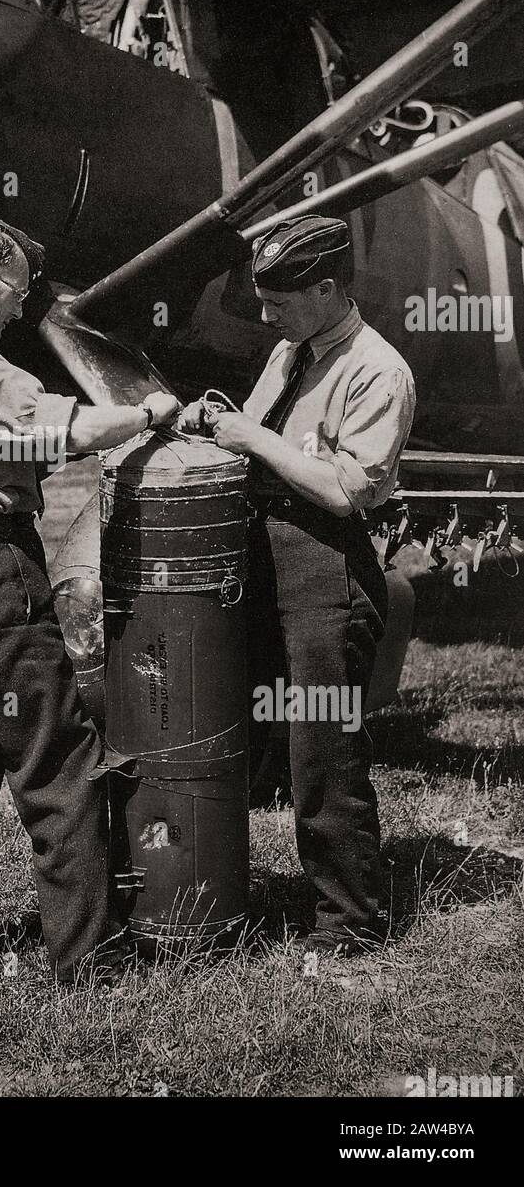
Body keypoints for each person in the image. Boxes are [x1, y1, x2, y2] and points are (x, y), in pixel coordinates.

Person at [0, 211, 180, 987]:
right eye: (15, 292)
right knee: (61, 760)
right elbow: (75, 429)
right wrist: (150, 412)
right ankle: (89, 963)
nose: (21, 307)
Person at [180, 214, 416, 956]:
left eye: (278, 299)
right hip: (263, 555)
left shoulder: (378, 371)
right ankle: (213, 890)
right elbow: (254, 430)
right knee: (236, 727)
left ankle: (351, 924)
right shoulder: (290, 350)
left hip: (326, 566)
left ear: (325, 288)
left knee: (322, 752)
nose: (264, 314)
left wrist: (255, 440)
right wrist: (213, 424)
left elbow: (346, 491)